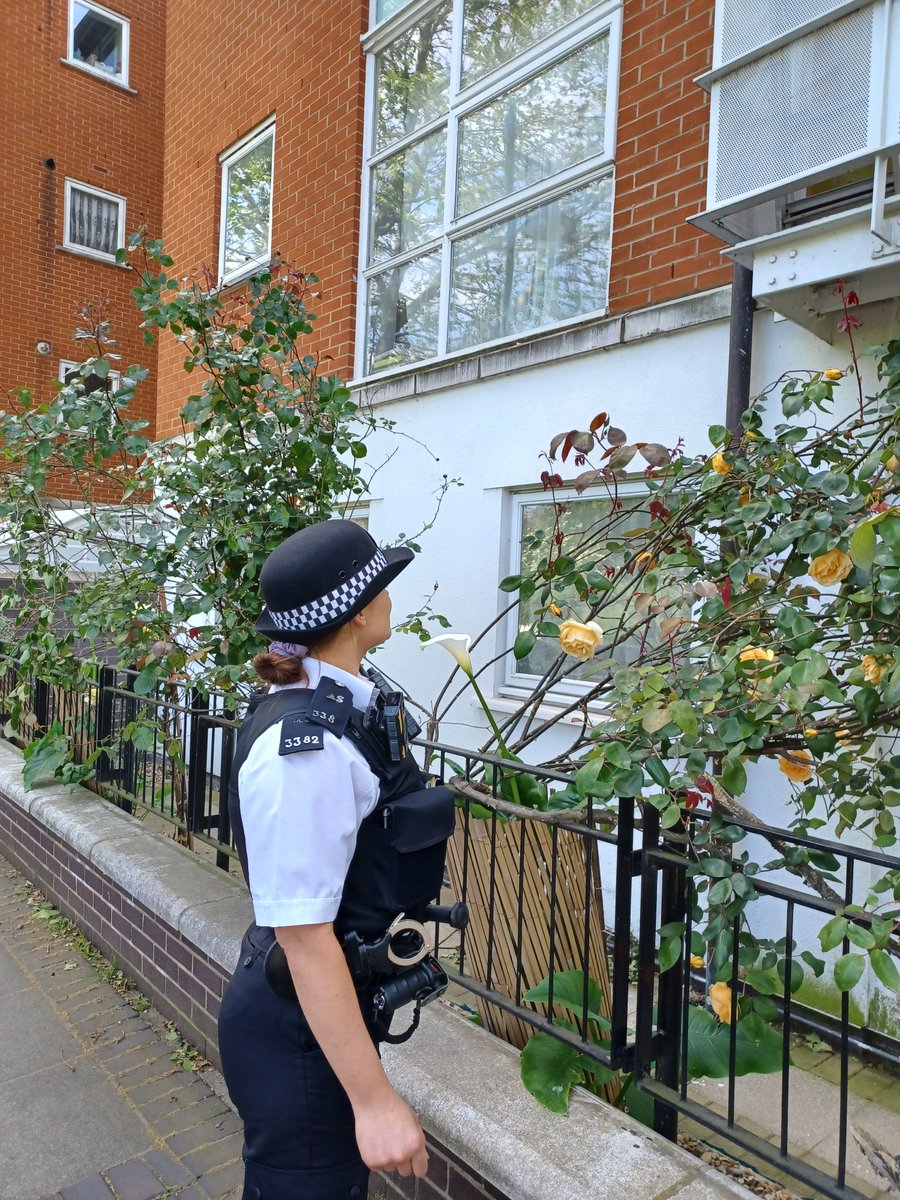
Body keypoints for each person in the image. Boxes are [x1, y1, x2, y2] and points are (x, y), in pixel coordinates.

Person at [218, 519, 456, 1200]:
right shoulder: (310, 748)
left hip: (315, 1018)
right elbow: (301, 935)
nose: (390, 594)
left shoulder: (337, 707)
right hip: (296, 1035)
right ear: (358, 611)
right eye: (381, 583)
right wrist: (375, 1102)